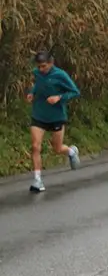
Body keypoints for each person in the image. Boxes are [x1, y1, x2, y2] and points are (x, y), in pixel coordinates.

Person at [26, 51, 83, 192]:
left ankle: (70, 151)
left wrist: (59, 98)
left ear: (51, 63)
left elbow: (75, 92)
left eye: (44, 66)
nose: (41, 69)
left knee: (57, 149)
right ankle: (37, 181)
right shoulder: (37, 73)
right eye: (38, 66)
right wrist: (32, 93)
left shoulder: (60, 75)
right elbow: (38, 84)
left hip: (56, 116)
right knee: (35, 146)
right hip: (38, 114)